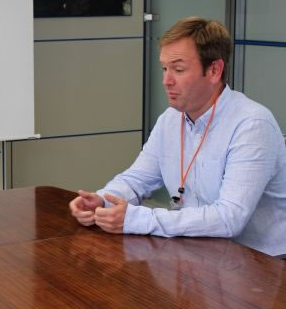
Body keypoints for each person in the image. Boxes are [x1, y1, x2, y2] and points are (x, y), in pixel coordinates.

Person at [69, 17, 286, 257]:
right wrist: (102, 202)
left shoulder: (252, 125)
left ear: (214, 70)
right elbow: (136, 179)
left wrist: (137, 219)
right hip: (198, 253)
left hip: (263, 266)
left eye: (178, 70)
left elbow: (229, 218)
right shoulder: (171, 119)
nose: (166, 81)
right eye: (164, 68)